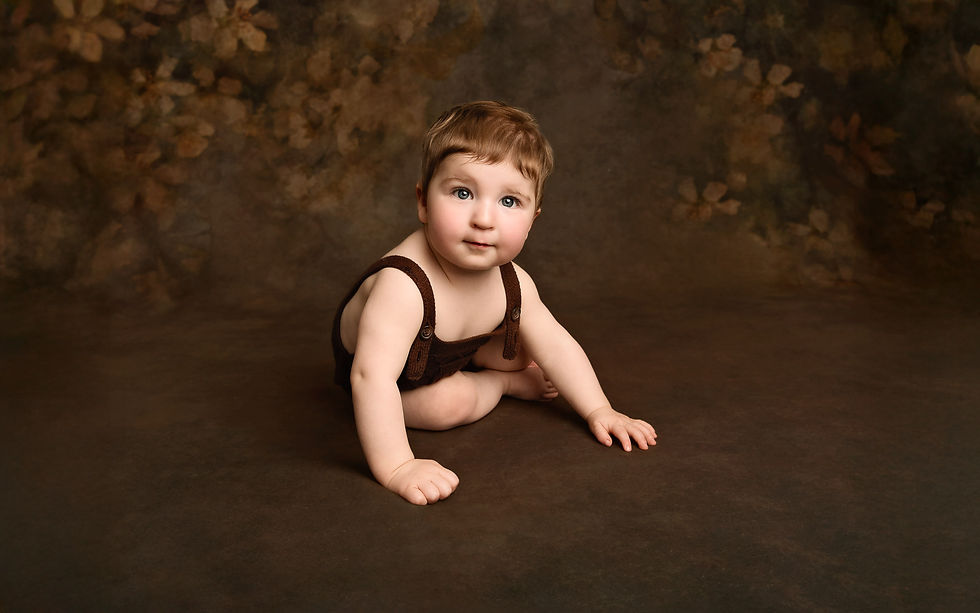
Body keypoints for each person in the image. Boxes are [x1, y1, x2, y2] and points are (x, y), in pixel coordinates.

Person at [332, 101, 657, 505]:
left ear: (533, 220)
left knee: (529, 346)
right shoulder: (403, 285)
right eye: (463, 193)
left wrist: (601, 410)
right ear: (422, 202)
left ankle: (507, 371)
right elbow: (371, 378)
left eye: (509, 201)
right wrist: (398, 466)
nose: (484, 219)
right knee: (446, 405)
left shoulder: (513, 281)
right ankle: (500, 383)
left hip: (449, 347)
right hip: (397, 378)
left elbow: (556, 344)